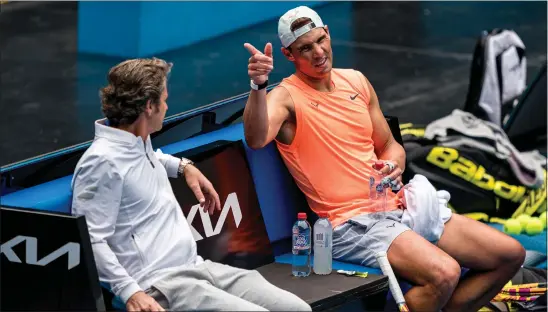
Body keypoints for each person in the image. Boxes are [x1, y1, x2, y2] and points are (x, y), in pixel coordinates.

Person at [242, 6, 526, 312]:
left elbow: (389, 144)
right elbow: (256, 139)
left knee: (509, 254)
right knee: (444, 273)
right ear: (288, 55)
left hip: (399, 205)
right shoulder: (285, 97)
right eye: (305, 48)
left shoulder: (356, 82)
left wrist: (395, 164)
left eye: (320, 40)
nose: (318, 52)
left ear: (328, 32)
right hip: (350, 224)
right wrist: (258, 85)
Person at [71, 58, 311, 312]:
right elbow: (91, 239)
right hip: (159, 286)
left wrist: (184, 167)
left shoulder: (136, 140)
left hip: (197, 267)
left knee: (297, 310)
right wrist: (130, 293)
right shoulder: (101, 164)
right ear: (149, 107)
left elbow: (146, 160)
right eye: (164, 99)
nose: (167, 106)